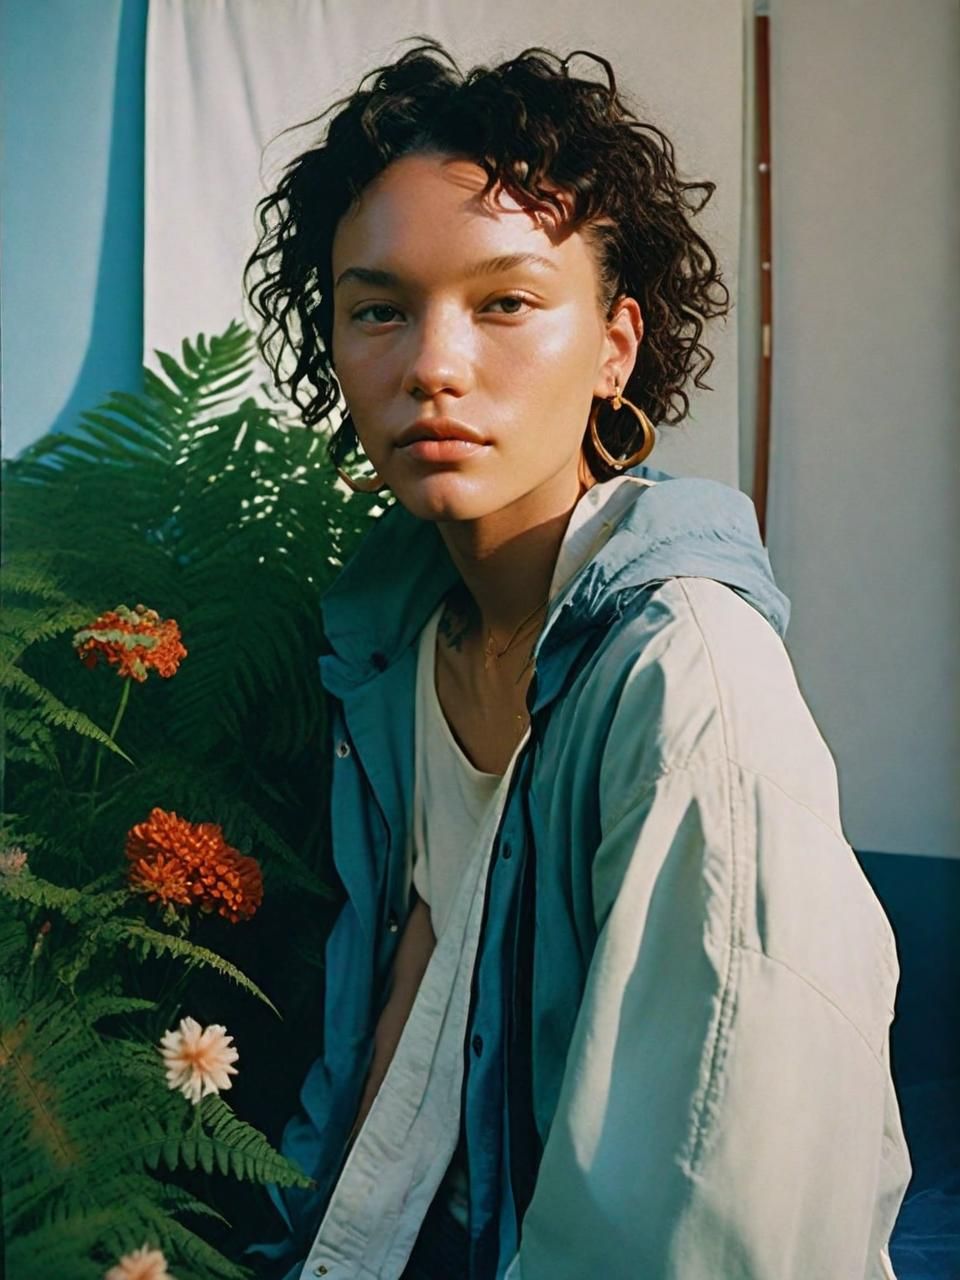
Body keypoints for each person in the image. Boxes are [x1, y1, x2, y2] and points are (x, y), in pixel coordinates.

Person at [242, 37, 912, 1280]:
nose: (433, 364)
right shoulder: (388, 651)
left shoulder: (691, 681)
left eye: (505, 303)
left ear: (616, 344)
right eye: (378, 308)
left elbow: (723, 1211)